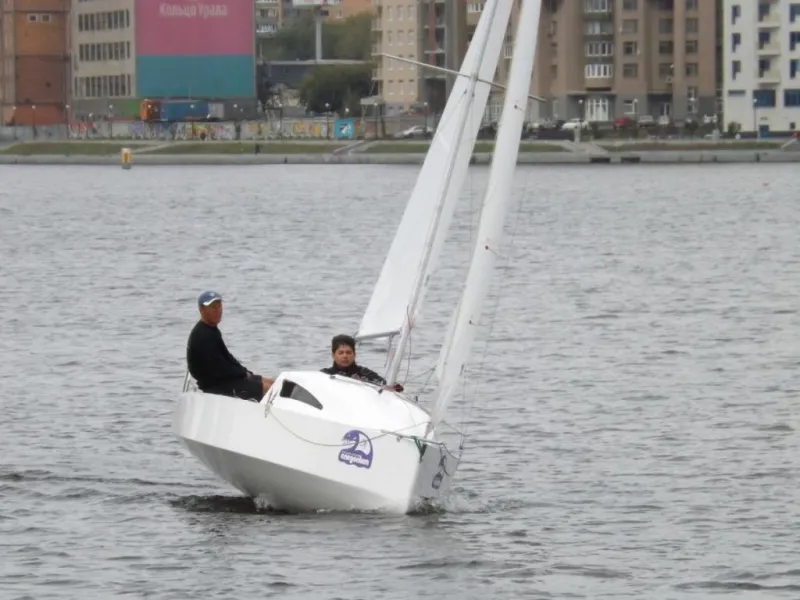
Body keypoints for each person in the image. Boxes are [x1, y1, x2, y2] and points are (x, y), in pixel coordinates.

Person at [186, 290, 273, 401]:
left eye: (219, 306)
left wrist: (244, 372)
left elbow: (227, 357)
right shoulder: (203, 336)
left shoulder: (211, 330)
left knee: (270, 382)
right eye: (213, 307)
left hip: (225, 380)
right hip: (216, 386)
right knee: (267, 388)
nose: (218, 311)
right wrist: (242, 374)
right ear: (201, 310)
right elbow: (220, 369)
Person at [321, 334, 403, 392]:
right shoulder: (324, 375)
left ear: (354, 355)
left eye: (348, 352)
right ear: (333, 355)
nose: (345, 356)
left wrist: (394, 387)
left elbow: (384, 385)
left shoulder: (364, 374)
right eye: (341, 353)